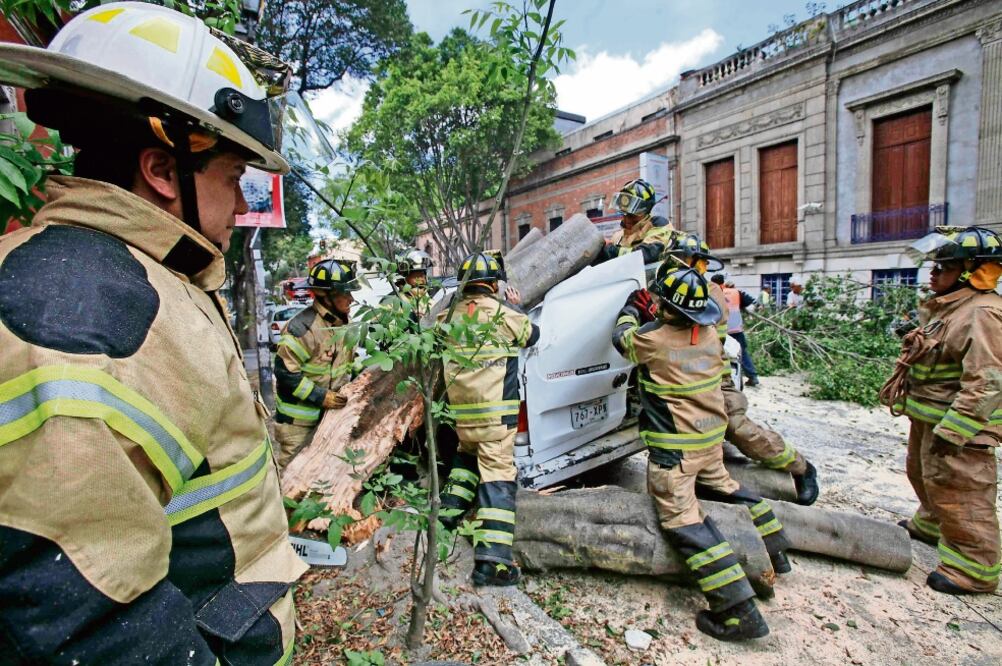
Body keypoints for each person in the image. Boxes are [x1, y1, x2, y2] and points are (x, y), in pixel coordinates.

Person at [0, 4, 305, 663]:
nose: (244, 205)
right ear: (162, 171)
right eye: (232, 178)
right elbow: (85, 618)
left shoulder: (129, 279)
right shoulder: (87, 315)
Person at [612, 266, 792, 641]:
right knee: (726, 488)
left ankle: (735, 608)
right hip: (709, 439)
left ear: (667, 308)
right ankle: (775, 549)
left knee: (683, 521)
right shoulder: (709, 334)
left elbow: (622, 339)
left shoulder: (654, 339)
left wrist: (632, 308)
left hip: (676, 450)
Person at [880, 226, 1002, 595]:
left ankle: (973, 569)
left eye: (942, 269)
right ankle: (931, 524)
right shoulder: (952, 307)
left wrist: (955, 432)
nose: (932, 275)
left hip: (959, 427)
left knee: (962, 491)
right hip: (931, 416)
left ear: (970, 271)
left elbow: (988, 381)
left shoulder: (983, 314)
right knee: (924, 474)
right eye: (932, 268)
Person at [665, 236, 819, 505]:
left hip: (710, 377)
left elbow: (703, 336)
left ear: (700, 264)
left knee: (737, 428)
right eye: (675, 258)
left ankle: (801, 468)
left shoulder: (709, 294)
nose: (677, 264)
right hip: (678, 377)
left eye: (684, 259)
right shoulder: (667, 286)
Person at [437, 252, 540, 586]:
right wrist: (518, 307)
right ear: (494, 284)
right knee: (497, 479)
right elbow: (532, 336)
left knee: (466, 459)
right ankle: (491, 564)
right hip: (496, 418)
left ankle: (445, 520)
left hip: (462, 418)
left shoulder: (447, 317)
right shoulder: (503, 312)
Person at [273, 258, 359, 470]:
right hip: (298, 426)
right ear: (324, 295)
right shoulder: (302, 328)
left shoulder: (344, 325)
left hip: (331, 419)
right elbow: (286, 375)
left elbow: (347, 367)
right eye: (344, 293)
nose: (351, 298)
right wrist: (322, 397)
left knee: (326, 476)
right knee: (293, 479)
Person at [595, 178, 675, 264]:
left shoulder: (658, 225)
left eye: (632, 215)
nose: (627, 219)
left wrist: (610, 250)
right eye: (624, 214)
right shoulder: (618, 236)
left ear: (645, 211)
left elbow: (648, 254)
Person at [711, 274, 761, 388]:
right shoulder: (736, 292)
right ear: (723, 283)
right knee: (741, 352)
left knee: (718, 354)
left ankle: (722, 378)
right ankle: (752, 376)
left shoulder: (711, 293)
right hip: (736, 329)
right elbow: (753, 303)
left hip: (719, 330)